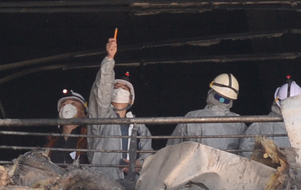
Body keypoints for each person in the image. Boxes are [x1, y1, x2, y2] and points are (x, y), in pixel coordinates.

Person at [88, 37, 152, 182]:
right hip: (101, 180)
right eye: (116, 88)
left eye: (125, 89)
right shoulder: (101, 116)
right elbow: (102, 89)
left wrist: (140, 164)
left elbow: (148, 153)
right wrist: (109, 59)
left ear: (131, 99)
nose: (120, 90)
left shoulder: (139, 125)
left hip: (133, 182)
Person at [167, 73, 247, 153]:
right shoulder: (239, 123)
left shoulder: (192, 117)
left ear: (211, 92)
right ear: (231, 100)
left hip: (196, 165)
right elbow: (246, 153)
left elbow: (171, 150)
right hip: (229, 165)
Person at [239, 78, 301, 158]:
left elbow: (245, 150)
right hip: (299, 170)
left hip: (266, 170)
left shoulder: (260, 124)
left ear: (276, 100)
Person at [44, 89, 89, 165]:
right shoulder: (51, 141)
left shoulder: (89, 137)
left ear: (84, 113)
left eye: (73, 103)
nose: (67, 107)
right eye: (64, 105)